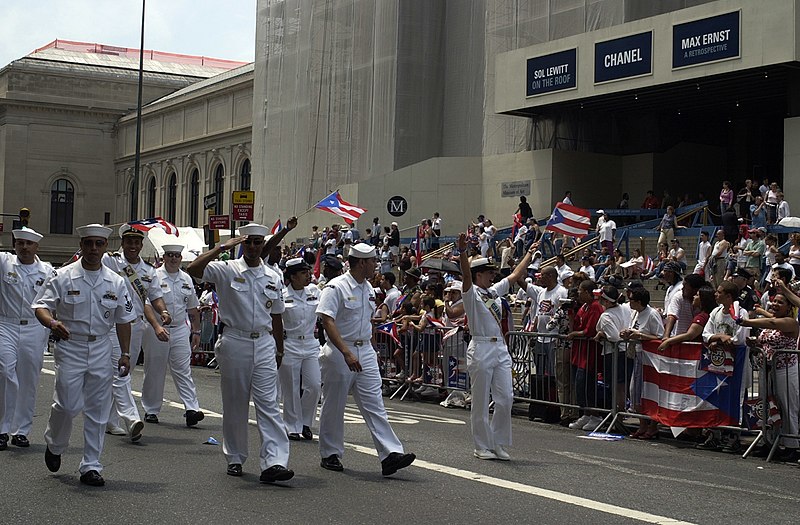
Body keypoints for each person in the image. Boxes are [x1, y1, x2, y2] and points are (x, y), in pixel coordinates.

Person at [187, 221, 295, 484]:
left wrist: (279, 349)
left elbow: (277, 314)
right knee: (235, 402)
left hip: (265, 342)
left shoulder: (273, 275)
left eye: (259, 242)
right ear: (242, 243)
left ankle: (275, 461)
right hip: (235, 340)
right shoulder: (227, 269)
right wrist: (220, 248)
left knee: (269, 404)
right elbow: (193, 269)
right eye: (249, 242)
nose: (254, 247)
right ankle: (235, 456)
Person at [32, 224, 135, 487]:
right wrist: (52, 323)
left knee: (98, 409)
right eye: (88, 243)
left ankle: (91, 465)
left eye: (99, 244)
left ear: (105, 247)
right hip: (71, 345)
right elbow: (41, 306)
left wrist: (125, 353)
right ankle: (55, 445)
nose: (93, 249)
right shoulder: (62, 275)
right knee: (66, 405)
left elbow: (124, 320)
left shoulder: (116, 281)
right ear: (81, 245)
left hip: (101, 346)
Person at [315, 242, 416, 475]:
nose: (375, 266)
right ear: (361, 262)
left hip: (365, 351)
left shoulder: (368, 288)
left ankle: (390, 453)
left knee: (375, 404)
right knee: (334, 404)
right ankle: (330, 452)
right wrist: (346, 352)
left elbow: (368, 321)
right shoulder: (336, 287)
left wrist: (371, 350)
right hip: (341, 351)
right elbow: (327, 321)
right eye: (372, 262)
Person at [457, 233, 534, 460]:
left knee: (505, 398)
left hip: (500, 348)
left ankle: (498, 442)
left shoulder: (493, 292)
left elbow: (515, 275)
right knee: (480, 401)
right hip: (480, 347)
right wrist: (463, 252)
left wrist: (531, 253)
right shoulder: (470, 294)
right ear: (478, 274)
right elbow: (465, 275)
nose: (493, 276)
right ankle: (481, 446)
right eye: (489, 273)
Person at [103, 225, 172, 442]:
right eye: (128, 242)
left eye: (136, 243)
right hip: (112, 324)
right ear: (122, 243)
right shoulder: (110, 261)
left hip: (135, 325)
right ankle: (131, 419)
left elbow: (154, 297)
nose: (132, 246)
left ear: (141, 245)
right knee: (120, 371)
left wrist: (164, 312)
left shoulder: (149, 271)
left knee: (125, 370)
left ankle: (109, 419)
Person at [0, 227, 55, 450]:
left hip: (34, 328)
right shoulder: (4, 263)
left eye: (28, 244)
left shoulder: (47, 271)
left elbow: (56, 298)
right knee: (5, 371)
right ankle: (2, 429)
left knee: (29, 379)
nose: (24, 247)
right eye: (20, 243)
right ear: (14, 245)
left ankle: (21, 431)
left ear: (36, 247)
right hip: (6, 324)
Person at [139, 243, 204, 427]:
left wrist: (196, 331)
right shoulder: (154, 276)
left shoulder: (186, 279)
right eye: (170, 255)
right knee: (154, 370)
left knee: (183, 370)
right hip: (157, 328)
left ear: (181, 258)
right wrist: (155, 326)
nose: (174, 258)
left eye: (177, 255)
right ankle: (151, 409)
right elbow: (147, 304)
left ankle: (192, 409)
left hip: (180, 329)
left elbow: (192, 307)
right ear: (164, 257)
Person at [279, 258, 322, 442]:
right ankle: (292, 425)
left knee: (313, 385)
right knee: (291, 387)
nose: (308, 276)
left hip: (311, 343)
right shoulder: (282, 295)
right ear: (292, 276)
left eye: (308, 272)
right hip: (290, 343)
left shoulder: (314, 292)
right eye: (303, 273)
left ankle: (305, 422)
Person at [621, 287, 665, 439]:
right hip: (637, 355)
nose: (629, 302)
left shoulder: (652, 314)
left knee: (648, 392)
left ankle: (652, 426)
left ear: (639, 301)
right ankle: (642, 425)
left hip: (649, 358)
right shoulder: (636, 313)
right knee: (636, 392)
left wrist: (639, 334)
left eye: (632, 299)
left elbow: (659, 335)